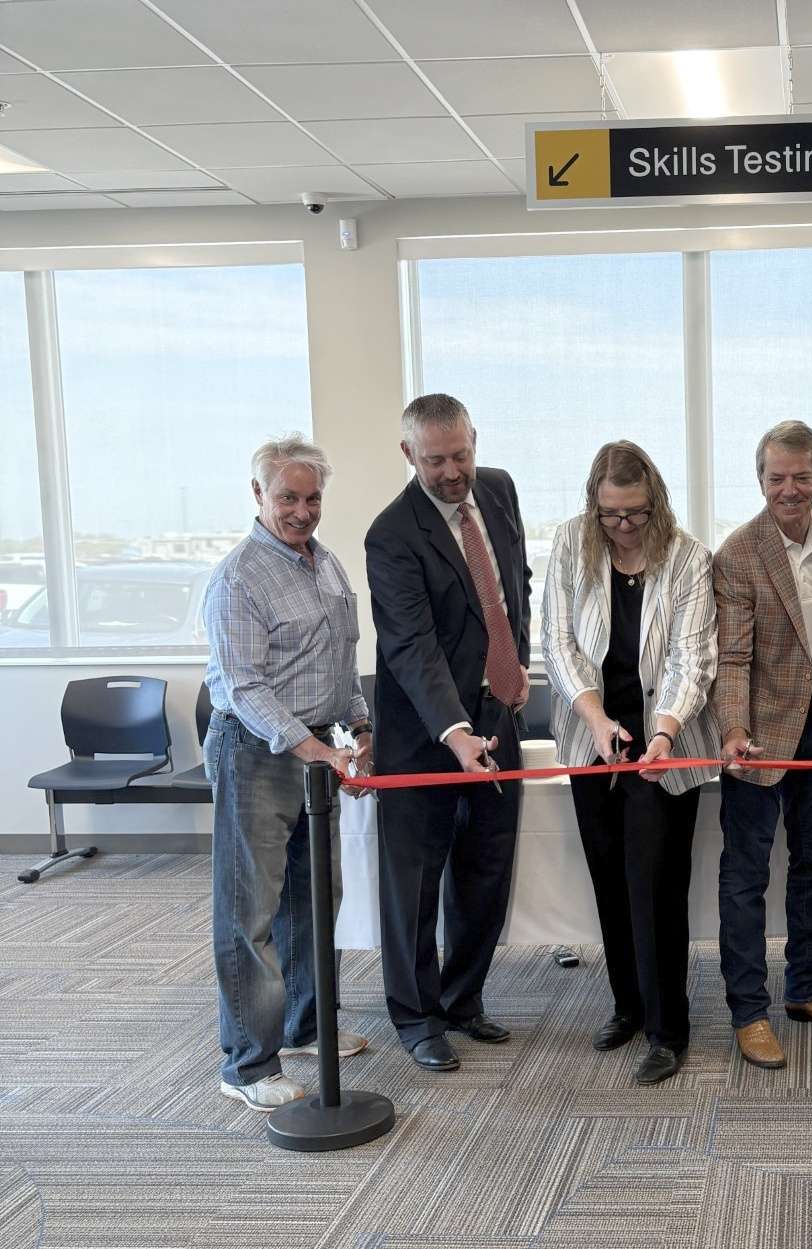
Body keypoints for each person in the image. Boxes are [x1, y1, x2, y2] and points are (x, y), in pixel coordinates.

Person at [542, 441, 721, 1085]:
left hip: (664, 743)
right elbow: (558, 641)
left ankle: (667, 1028)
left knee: (655, 885)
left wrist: (664, 733)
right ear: (594, 505)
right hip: (592, 733)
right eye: (610, 514)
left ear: (657, 502)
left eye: (636, 514)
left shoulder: (689, 557)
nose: (623, 527)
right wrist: (595, 721)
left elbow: (691, 658)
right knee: (610, 877)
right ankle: (627, 1006)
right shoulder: (570, 544)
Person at [203, 435, 372, 1112]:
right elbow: (244, 687)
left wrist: (359, 728)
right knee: (252, 912)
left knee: (314, 897)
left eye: (311, 498)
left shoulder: (323, 564)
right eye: (287, 498)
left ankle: (307, 1025)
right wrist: (315, 748)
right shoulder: (239, 577)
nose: (302, 511)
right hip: (257, 753)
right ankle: (247, 1063)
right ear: (257, 495)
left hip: (315, 752)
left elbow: (342, 660)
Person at [365, 393, 531, 1073]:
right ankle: (417, 1015)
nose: (453, 471)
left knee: (486, 870)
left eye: (461, 454)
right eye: (436, 460)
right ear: (409, 455)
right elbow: (412, 648)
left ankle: (464, 999)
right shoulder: (392, 534)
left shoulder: (497, 490)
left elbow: (511, 585)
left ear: (474, 440)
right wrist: (455, 731)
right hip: (424, 736)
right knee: (415, 883)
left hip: (499, 717)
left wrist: (515, 671)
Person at [713, 420, 812, 1069]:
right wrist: (734, 730)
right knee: (746, 874)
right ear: (761, 481)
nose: (790, 489)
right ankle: (749, 1010)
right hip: (761, 728)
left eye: (801, 476)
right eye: (777, 477)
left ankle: (808, 988)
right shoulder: (738, 553)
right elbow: (734, 656)